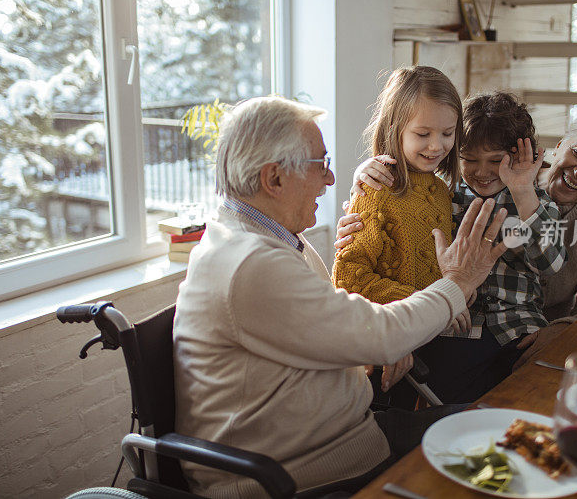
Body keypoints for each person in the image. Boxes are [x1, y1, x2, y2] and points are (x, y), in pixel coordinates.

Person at [172, 96, 509, 498]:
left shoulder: (268, 238)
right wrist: (457, 281)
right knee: (496, 458)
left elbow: (330, 319)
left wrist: (370, 343)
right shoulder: (249, 262)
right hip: (303, 475)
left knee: (496, 431)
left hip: (350, 440)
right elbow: (381, 333)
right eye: (320, 165)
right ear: (274, 179)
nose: (330, 181)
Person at [338, 106, 577, 373]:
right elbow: (401, 224)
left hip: (525, 331)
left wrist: (560, 333)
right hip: (458, 323)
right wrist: (364, 186)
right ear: (560, 144)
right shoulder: (464, 189)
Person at [331, 66, 470, 402]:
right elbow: (348, 278)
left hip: (427, 335)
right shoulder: (376, 188)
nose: (437, 146)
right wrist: (426, 301)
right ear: (395, 130)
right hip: (386, 345)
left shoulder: (440, 191)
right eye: (423, 134)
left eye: (448, 133)